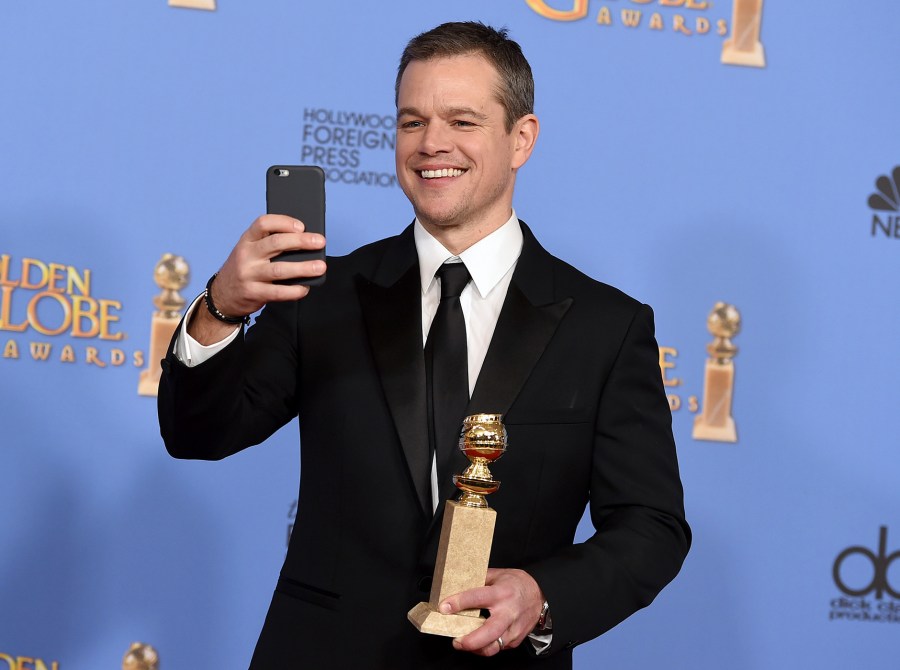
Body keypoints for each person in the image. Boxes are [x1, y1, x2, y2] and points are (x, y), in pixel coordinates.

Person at [158, 21, 690, 670]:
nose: (432, 143)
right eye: (412, 122)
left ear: (521, 138)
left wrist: (544, 594)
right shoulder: (326, 294)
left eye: (462, 121)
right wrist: (221, 309)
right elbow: (198, 434)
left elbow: (650, 526)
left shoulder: (606, 327)